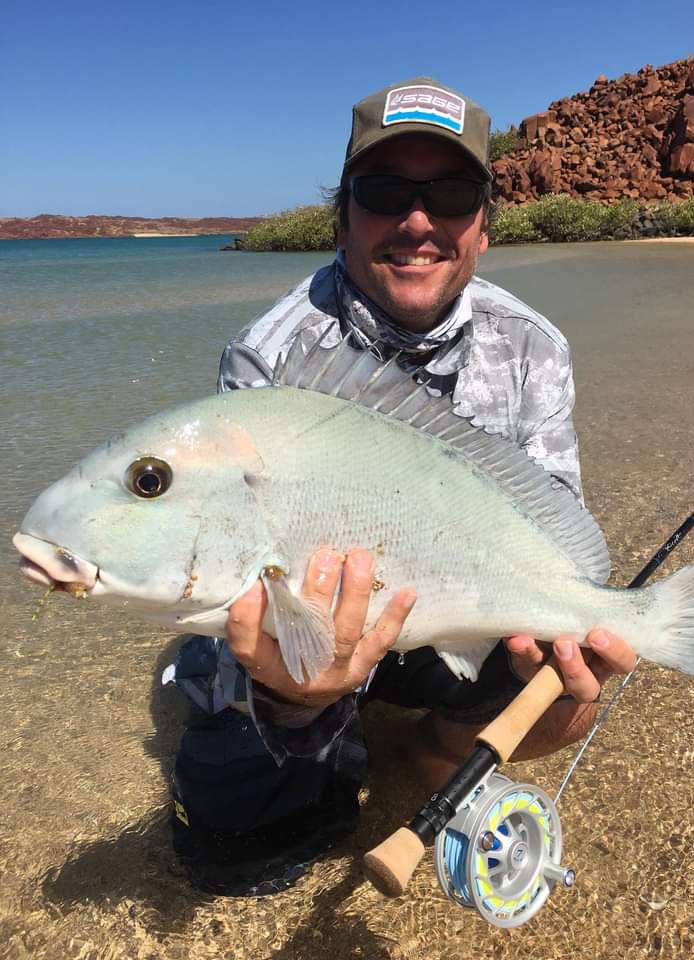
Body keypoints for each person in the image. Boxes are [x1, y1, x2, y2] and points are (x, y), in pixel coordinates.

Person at [166, 77, 637, 895]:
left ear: (484, 225)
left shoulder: (534, 347)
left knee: (572, 697)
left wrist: (570, 632)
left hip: (459, 598)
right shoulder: (269, 357)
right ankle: (311, 726)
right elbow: (245, 549)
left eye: (451, 193)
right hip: (305, 612)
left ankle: (433, 749)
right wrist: (292, 696)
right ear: (343, 217)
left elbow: (558, 524)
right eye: (385, 191)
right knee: (235, 847)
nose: (419, 221)